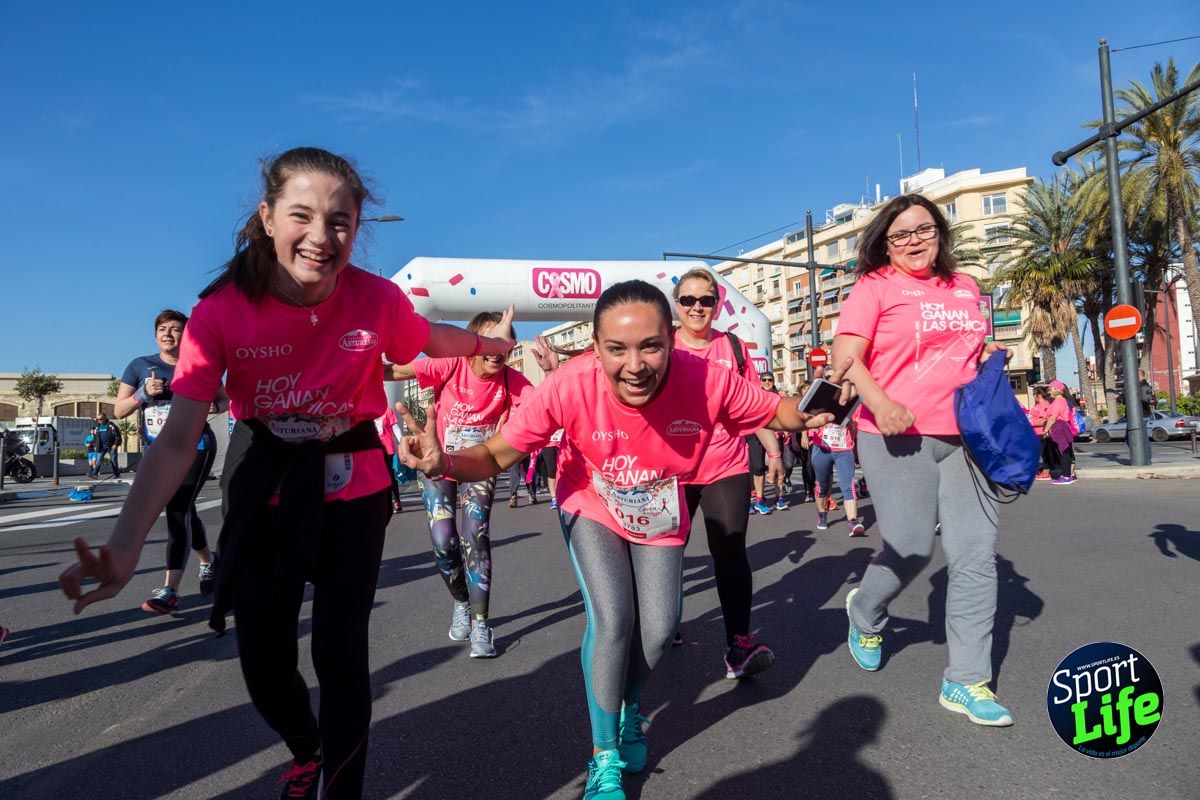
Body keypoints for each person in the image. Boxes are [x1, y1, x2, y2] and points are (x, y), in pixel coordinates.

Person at [59, 147, 514, 800]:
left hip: (353, 483)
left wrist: (488, 345)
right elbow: (178, 435)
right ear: (268, 218)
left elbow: (431, 339)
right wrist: (126, 544)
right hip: (263, 476)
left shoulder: (376, 299)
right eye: (302, 216)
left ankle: (342, 788)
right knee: (265, 661)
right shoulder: (219, 309)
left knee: (339, 652)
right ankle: (306, 748)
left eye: (340, 222)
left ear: (357, 229)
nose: (322, 237)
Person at [397, 280, 835, 800]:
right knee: (613, 620)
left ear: (671, 342)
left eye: (650, 346)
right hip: (592, 503)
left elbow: (771, 408)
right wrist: (442, 462)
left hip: (657, 510)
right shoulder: (568, 384)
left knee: (657, 630)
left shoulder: (708, 378)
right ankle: (603, 753)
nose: (635, 365)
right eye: (617, 349)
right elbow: (495, 455)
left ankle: (629, 711)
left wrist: (803, 412)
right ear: (595, 349)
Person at [831, 193, 1014, 727]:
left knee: (975, 554)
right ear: (885, 242)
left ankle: (967, 681)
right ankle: (865, 610)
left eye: (923, 230)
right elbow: (846, 357)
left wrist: (987, 356)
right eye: (901, 234)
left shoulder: (965, 288)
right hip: (893, 434)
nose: (913, 241)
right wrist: (880, 400)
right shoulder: (875, 286)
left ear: (940, 232)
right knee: (910, 547)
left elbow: (972, 348)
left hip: (966, 437)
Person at [384, 310, 532, 657]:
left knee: (475, 534)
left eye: (505, 342)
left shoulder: (514, 383)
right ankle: (461, 602)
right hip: (437, 463)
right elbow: (391, 370)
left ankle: (481, 623)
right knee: (442, 541)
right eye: (489, 341)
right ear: (472, 344)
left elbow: (555, 406)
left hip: (478, 468)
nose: (497, 350)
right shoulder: (450, 364)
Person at [670, 268, 784, 678]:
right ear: (677, 305)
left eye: (706, 300)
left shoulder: (733, 347)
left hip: (726, 462)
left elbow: (754, 406)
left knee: (731, 550)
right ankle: (664, 624)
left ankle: (739, 644)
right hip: (672, 469)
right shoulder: (662, 346)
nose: (697, 307)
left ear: (717, 304)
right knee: (666, 554)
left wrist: (772, 449)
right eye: (688, 300)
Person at [114, 309, 227, 614]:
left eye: (176, 329)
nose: (168, 334)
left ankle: (170, 591)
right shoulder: (140, 366)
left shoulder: (200, 364)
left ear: (185, 335)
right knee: (184, 509)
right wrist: (142, 393)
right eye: (162, 329)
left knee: (177, 510)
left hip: (197, 446)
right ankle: (209, 560)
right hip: (158, 449)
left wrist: (208, 406)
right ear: (155, 335)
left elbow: (224, 399)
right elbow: (118, 410)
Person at [807, 417, 865, 536]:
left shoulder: (849, 401)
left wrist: (853, 443)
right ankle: (822, 514)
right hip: (822, 448)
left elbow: (852, 424)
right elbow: (807, 417)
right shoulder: (821, 400)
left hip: (844, 449)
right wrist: (804, 436)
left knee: (848, 486)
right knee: (822, 486)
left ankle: (852, 521)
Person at [1044, 381, 1076, 485]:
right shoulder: (1059, 401)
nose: (1048, 391)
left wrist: (1045, 430)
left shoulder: (1058, 401)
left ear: (1056, 389)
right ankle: (1065, 474)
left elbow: (1053, 417)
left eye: (1050, 389)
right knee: (1062, 452)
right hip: (1059, 427)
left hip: (1059, 427)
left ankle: (1066, 476)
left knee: (1062, 452)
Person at [88, 413, 122, 479]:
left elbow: (118, 435)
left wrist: (116, 444)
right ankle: (94, 474)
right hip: (101, 447)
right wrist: (95, 445)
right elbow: (96, 438)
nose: (99, 420)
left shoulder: (111, 425)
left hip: (111, 446)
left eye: (101, 419)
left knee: (113, 460)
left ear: (105, 418)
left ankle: (117, 474)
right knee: (98, 460)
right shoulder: (97, 427)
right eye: (98, 419)